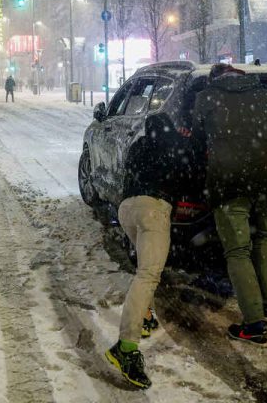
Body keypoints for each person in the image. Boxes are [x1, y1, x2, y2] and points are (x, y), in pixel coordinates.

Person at [192, 63, 267, 347]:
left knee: (237, 250)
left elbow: (196, 136)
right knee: (264, 237)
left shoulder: (207, 96)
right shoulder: (264, 94)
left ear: (214, 78)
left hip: (230, 179)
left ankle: (254, 325)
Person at [105, 116, 197, 389]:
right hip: (153, 210)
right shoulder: (172, 146)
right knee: (149, 274)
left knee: (144, 265)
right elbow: (188, 173)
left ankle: (144, 316)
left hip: (127, 209)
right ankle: (126, 348)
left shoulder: (140, 145)